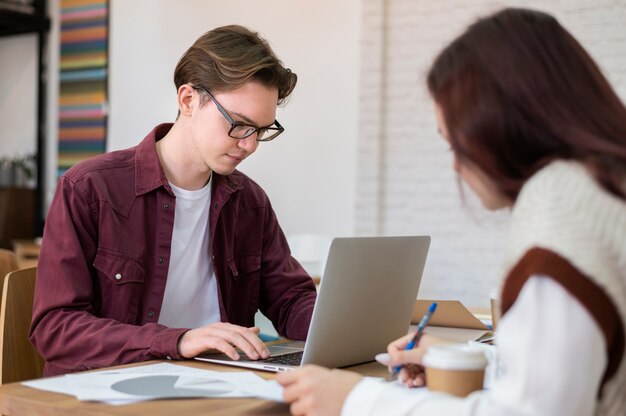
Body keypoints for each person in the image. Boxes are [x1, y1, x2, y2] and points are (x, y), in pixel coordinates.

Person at [278, 7, 626, 416]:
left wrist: (355, 399)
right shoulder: (602, 189)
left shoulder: (560, 223)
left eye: (455, 143)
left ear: (499, 125)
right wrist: (466, 360)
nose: (456, 166)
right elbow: (564, 375)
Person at [29, 25, 317, 376]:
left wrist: (351, 330)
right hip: (110, 392)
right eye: (239, 125)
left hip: (220, 388)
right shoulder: (90, 189)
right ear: (188, 100)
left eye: (261, 130)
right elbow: (56, 328)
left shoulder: (249, 202)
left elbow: (291, 300)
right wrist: (177, 341)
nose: (250, 144)